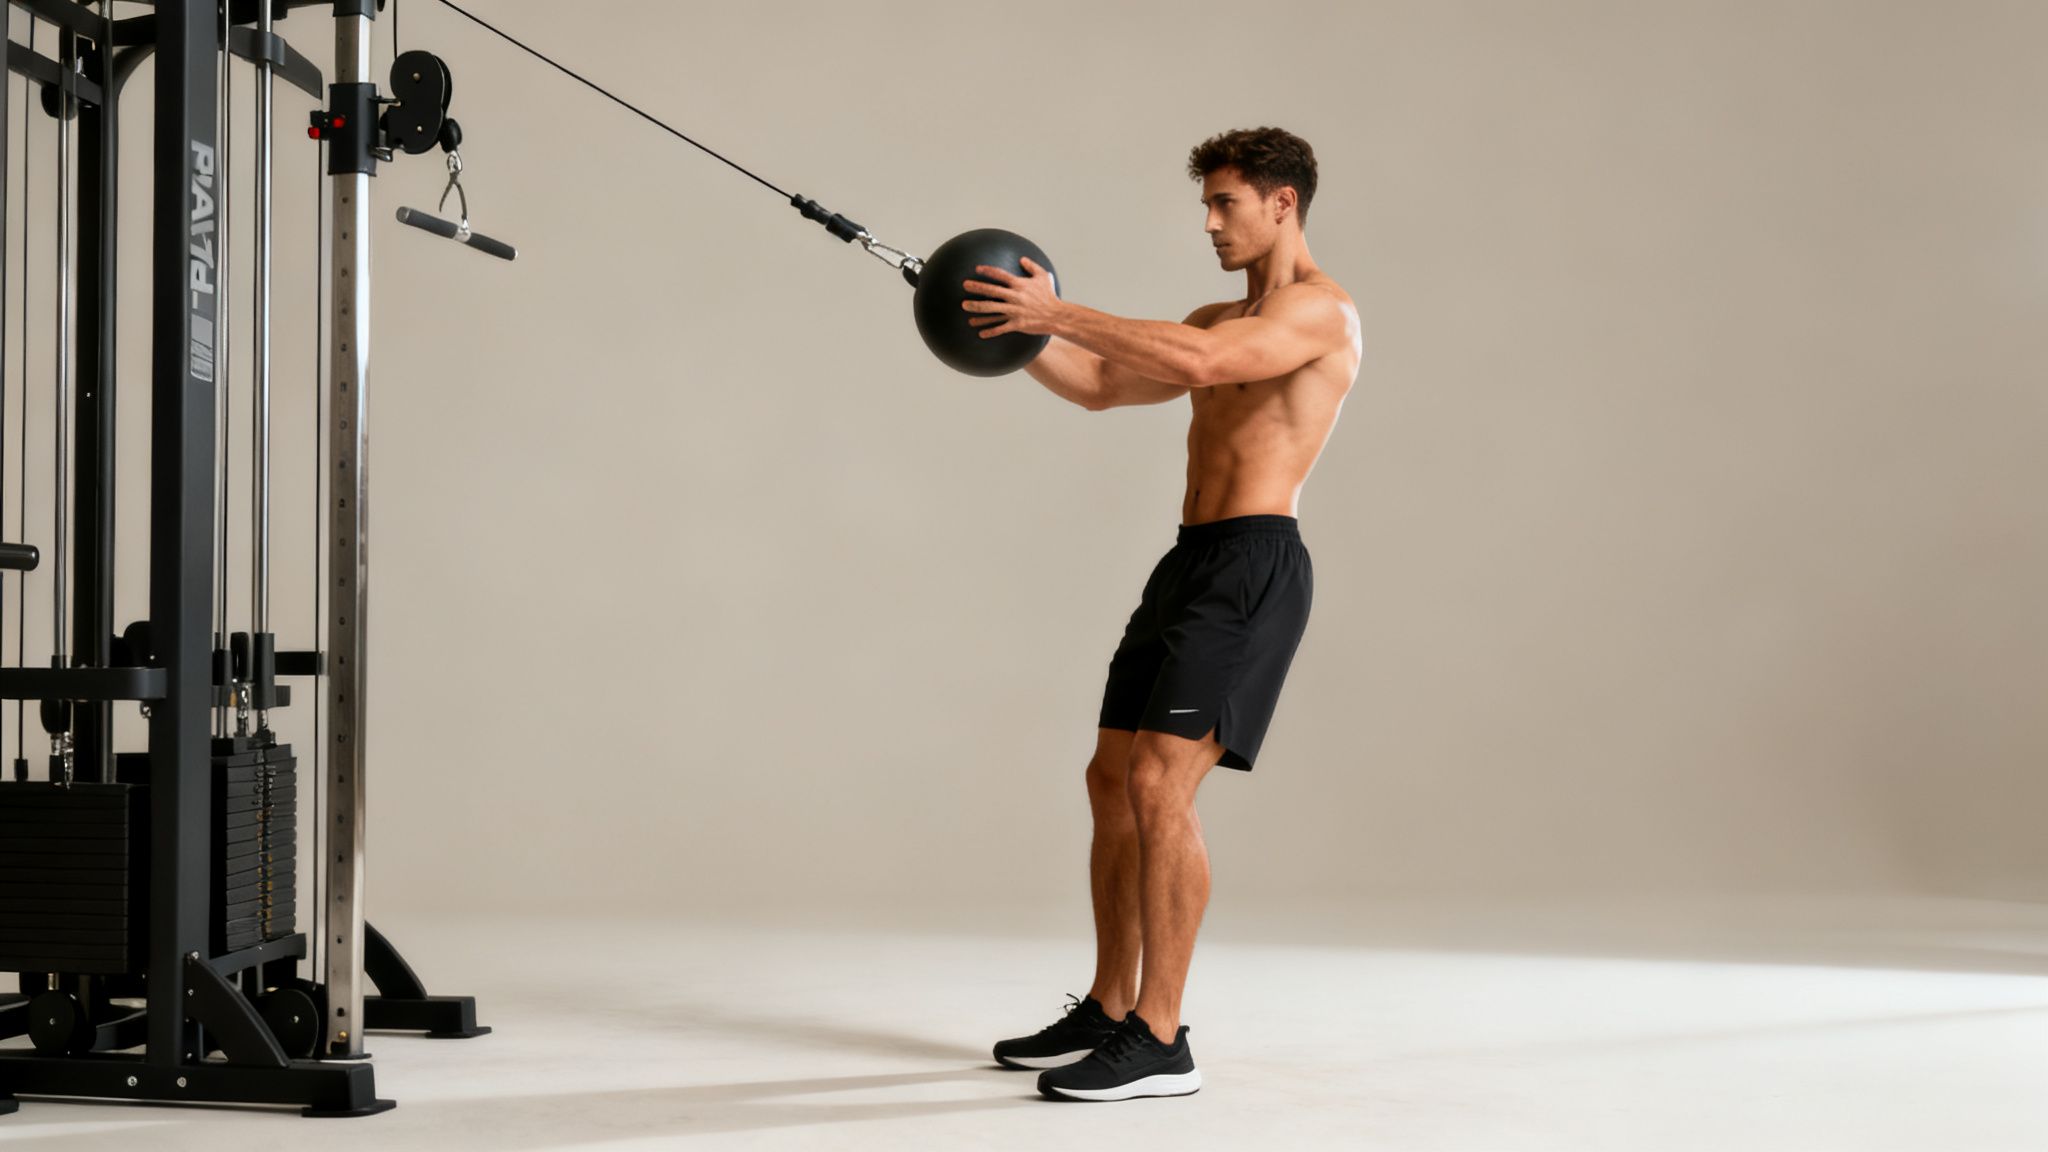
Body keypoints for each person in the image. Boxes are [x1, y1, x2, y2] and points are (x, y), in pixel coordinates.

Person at [962, 126, 1362, 1101]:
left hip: (1253, 566)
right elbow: (1099, 384)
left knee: (1156, 785)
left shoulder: (1321, 312)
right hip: (1188, 564)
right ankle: (1107, 1007)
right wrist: (1000, 329)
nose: (1210, 224)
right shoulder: (1211, 313)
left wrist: (1051, 307)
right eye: (1206, 206)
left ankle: (1161, 1033)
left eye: (1224, 204)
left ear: (1282, 204)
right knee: (1109, 778)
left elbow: (1195, 363)